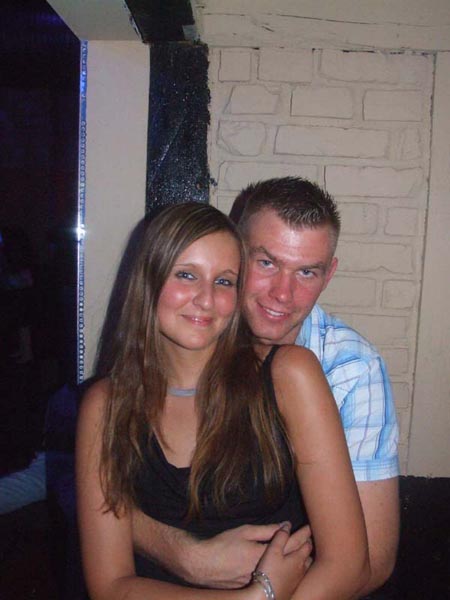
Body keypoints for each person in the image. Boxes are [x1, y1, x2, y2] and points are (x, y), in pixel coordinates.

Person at [76, 202, 370, 599]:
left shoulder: (289, 375)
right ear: (148, 280)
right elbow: (110, 586)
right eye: (186, 275)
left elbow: (348, 564)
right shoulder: (104, 406)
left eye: (224, 281)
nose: (206, 299)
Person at [131, 179, 400, 597]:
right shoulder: (185, 332)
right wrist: (182, 554)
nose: (282, 294)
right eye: (267, 263)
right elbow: (97, 488)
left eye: (307, 272)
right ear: (235, 253)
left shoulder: (351, 370)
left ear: (329, 274)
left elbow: (372, 562)